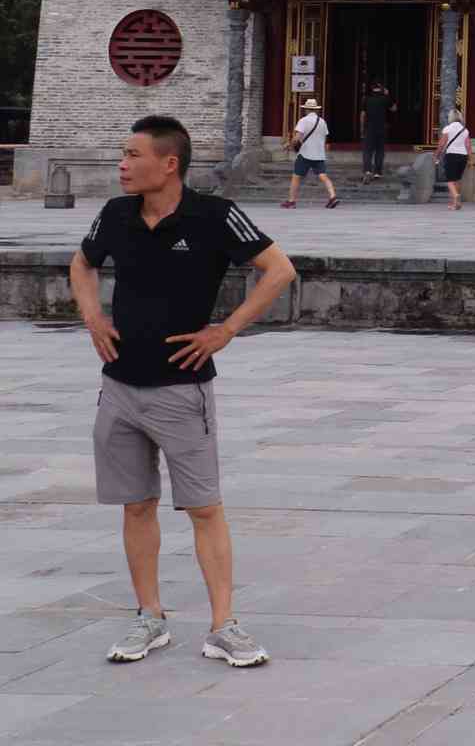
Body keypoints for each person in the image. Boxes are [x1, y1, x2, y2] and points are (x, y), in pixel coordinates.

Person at [71, 115, 295, 669]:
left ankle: (224, 626)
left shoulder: (213, 215)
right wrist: (93, 316)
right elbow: (82, 263)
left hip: (182, 388)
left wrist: (226, 330)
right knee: (136, 505)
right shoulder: (116, 214)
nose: (122, 164)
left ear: (169, 164)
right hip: (118, 386)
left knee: (204, 507)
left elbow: (279, 270)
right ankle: (150, 616)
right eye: (123, 154)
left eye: (133, 155)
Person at [282, 99, 336, 209]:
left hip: (305, 153)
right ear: (316, 110)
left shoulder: (303, 121)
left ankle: (291, 201)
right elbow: (325, 137)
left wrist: (289, 145)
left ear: (306, 109)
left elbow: (297, 138)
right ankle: (333, 196)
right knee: (323, 175)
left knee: (296, 177)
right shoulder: (322, 122)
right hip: (319, 154)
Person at [435, 109, 471, 210]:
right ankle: (455, 203)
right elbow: (468, 145)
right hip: (463, 156)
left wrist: (436, 155)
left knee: (450, 180)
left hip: (451, 155)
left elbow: (441, 144)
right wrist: (470, 159)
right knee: (457, 179)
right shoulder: (465, 130)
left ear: (450, 117)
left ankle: (456, 195)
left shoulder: (447, 129)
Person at [358, 80, 391, 182]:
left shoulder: (366, 99)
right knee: (380, 150)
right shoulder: (385, 98)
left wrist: (361, 128)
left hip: (369, 128)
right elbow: (394, 108)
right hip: (381, 128)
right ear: (381, 88)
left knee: (367, 151)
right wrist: (387, 95)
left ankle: (367, 171)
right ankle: (377, 172)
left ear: (371, 88)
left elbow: (362, 115)